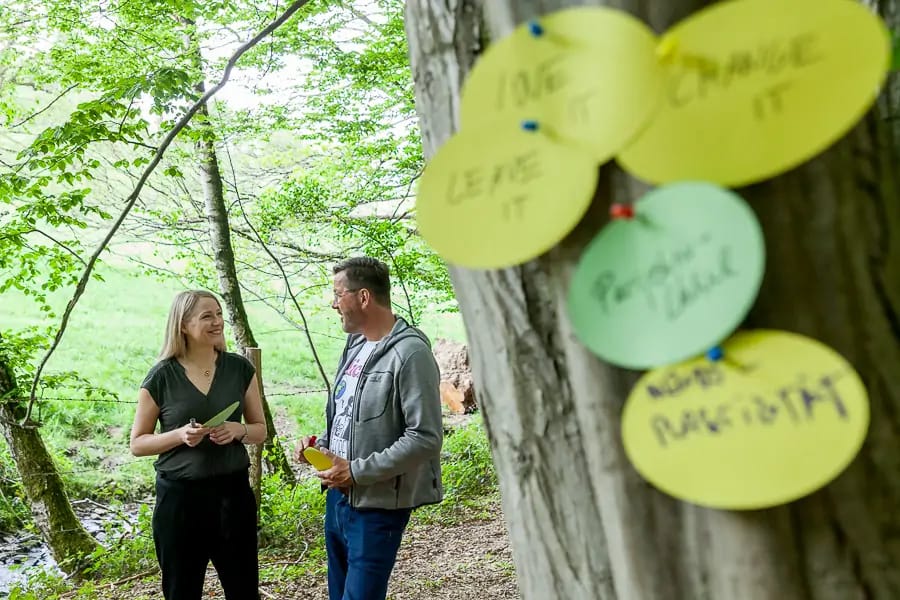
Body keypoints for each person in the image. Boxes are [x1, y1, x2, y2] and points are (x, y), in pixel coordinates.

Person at [295, 257, 443, 600]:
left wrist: (356, 471)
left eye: (337, 294)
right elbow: (348, 413)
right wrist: (321, 446)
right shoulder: (356, 345)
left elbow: (425, 437)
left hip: (378, 506)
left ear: (363, 297)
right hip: (338, 499)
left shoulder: (411, 354)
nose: (333, 304)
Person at [130, 290, 267, 600]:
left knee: (244, 589)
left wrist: (237, 430)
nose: (217, 321)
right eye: (207, 316)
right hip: (180, 501)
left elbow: (260, 431)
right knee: (181, 591)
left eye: (218, 314)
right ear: (183, 325)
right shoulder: (161, 377)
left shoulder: (240, 369)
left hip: (233, 497)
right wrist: (179, 436)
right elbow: (138, 443)